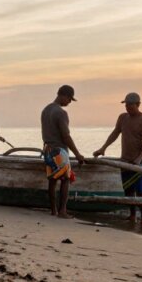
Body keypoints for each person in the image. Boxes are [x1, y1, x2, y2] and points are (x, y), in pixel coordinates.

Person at [93, 92, 142, 224]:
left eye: (130, 105)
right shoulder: (123, 118)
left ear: (138, 105)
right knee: (128, 190)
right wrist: (103, 148)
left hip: (138, 162)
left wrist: (139, 158)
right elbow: (115, 133)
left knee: (141, 192)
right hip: (125, 160)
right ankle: (132, 215)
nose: (127, 108)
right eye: (126, 105)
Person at [41, 85, 86, 218]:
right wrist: (77, 154)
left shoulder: (45, 110)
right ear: (63, 95)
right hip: (59, 151)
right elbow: (66, 136)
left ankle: (53, 210)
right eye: (69, 99)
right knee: (65, 179)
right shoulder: (61, 113)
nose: (70, 102)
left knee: (52, 180)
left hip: (48, 150)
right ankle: (62, 211)